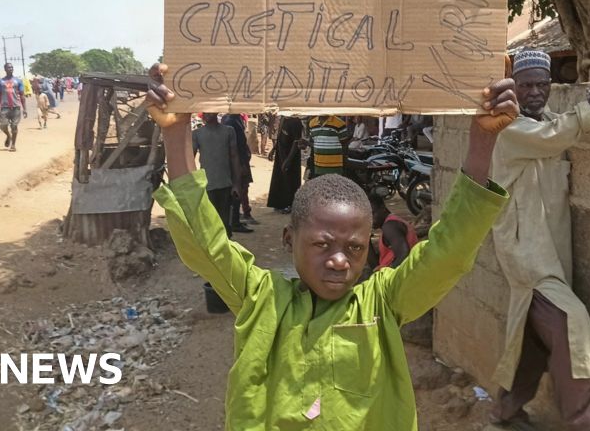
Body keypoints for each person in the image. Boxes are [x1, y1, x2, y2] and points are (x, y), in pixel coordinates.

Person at [143, 61, 517, 430]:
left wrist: (482, 142)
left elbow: (447, 252)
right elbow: (204, 242)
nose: (339, 261)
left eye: (354, 249)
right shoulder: (261, 299)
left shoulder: (383, 303)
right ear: (289, 240)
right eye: (322, 245)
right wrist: (176, 135)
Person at [489, 50, 590, 431]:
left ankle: (504, 412)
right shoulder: (509, 129)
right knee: (568, 320)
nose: (534, 93)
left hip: (550, 255)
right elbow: (557, 134)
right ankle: (582, 417)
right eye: (526, 85)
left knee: (531, 340)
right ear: (514, 88)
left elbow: (556, 126)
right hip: (526, 256)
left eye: (541, 85)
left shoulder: (544, 121)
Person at [191, 113, 243, 237]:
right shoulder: (197, 134)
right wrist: (193, 184)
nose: (207, 114)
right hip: (206, 185)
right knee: (209, 222)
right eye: (205, 112)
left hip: (225, 184)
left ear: (216, 112)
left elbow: (234, 157)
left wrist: (237, 184)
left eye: (210, 111)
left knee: (225, 223)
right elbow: (190, 159)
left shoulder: (228, 131)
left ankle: (226, 249)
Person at [222, 113, 257, 229]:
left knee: (240, 187)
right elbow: (237, 146)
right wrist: (241, 163)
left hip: (238, 160)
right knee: (240, 188)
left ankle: (237, 217)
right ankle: (236, 219)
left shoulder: (231, 119)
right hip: (238, 161)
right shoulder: (232, 121)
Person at [369, 194, 420, 269]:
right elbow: (377, 266)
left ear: (382, 208)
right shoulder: (390, 224)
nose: (370, 219)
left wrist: (388, 276)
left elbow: (404, 255)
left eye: (372, 214)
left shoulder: (390, 226)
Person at [266, 116, 304, 214]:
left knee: (291, 180)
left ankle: (290, 205)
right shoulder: (284, 119)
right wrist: (273, 149)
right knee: (279, 179)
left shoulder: (296, 121)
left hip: (291, 157)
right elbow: (279, 137)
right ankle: (279, 203)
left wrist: (288, 160)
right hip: (280, 154)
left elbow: (296, 142)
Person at [0, 62, 27, 152]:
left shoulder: (18, 81)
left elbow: (22, 95)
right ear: (5, 69)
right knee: (3, 126)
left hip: (16, 107)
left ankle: (13, 145)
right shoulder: (1, 82)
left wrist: (25, 109)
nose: (10, 69)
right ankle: (8, 135)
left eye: (12, 67)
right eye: (8, 67)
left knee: (14, 126)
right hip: (4, 107)